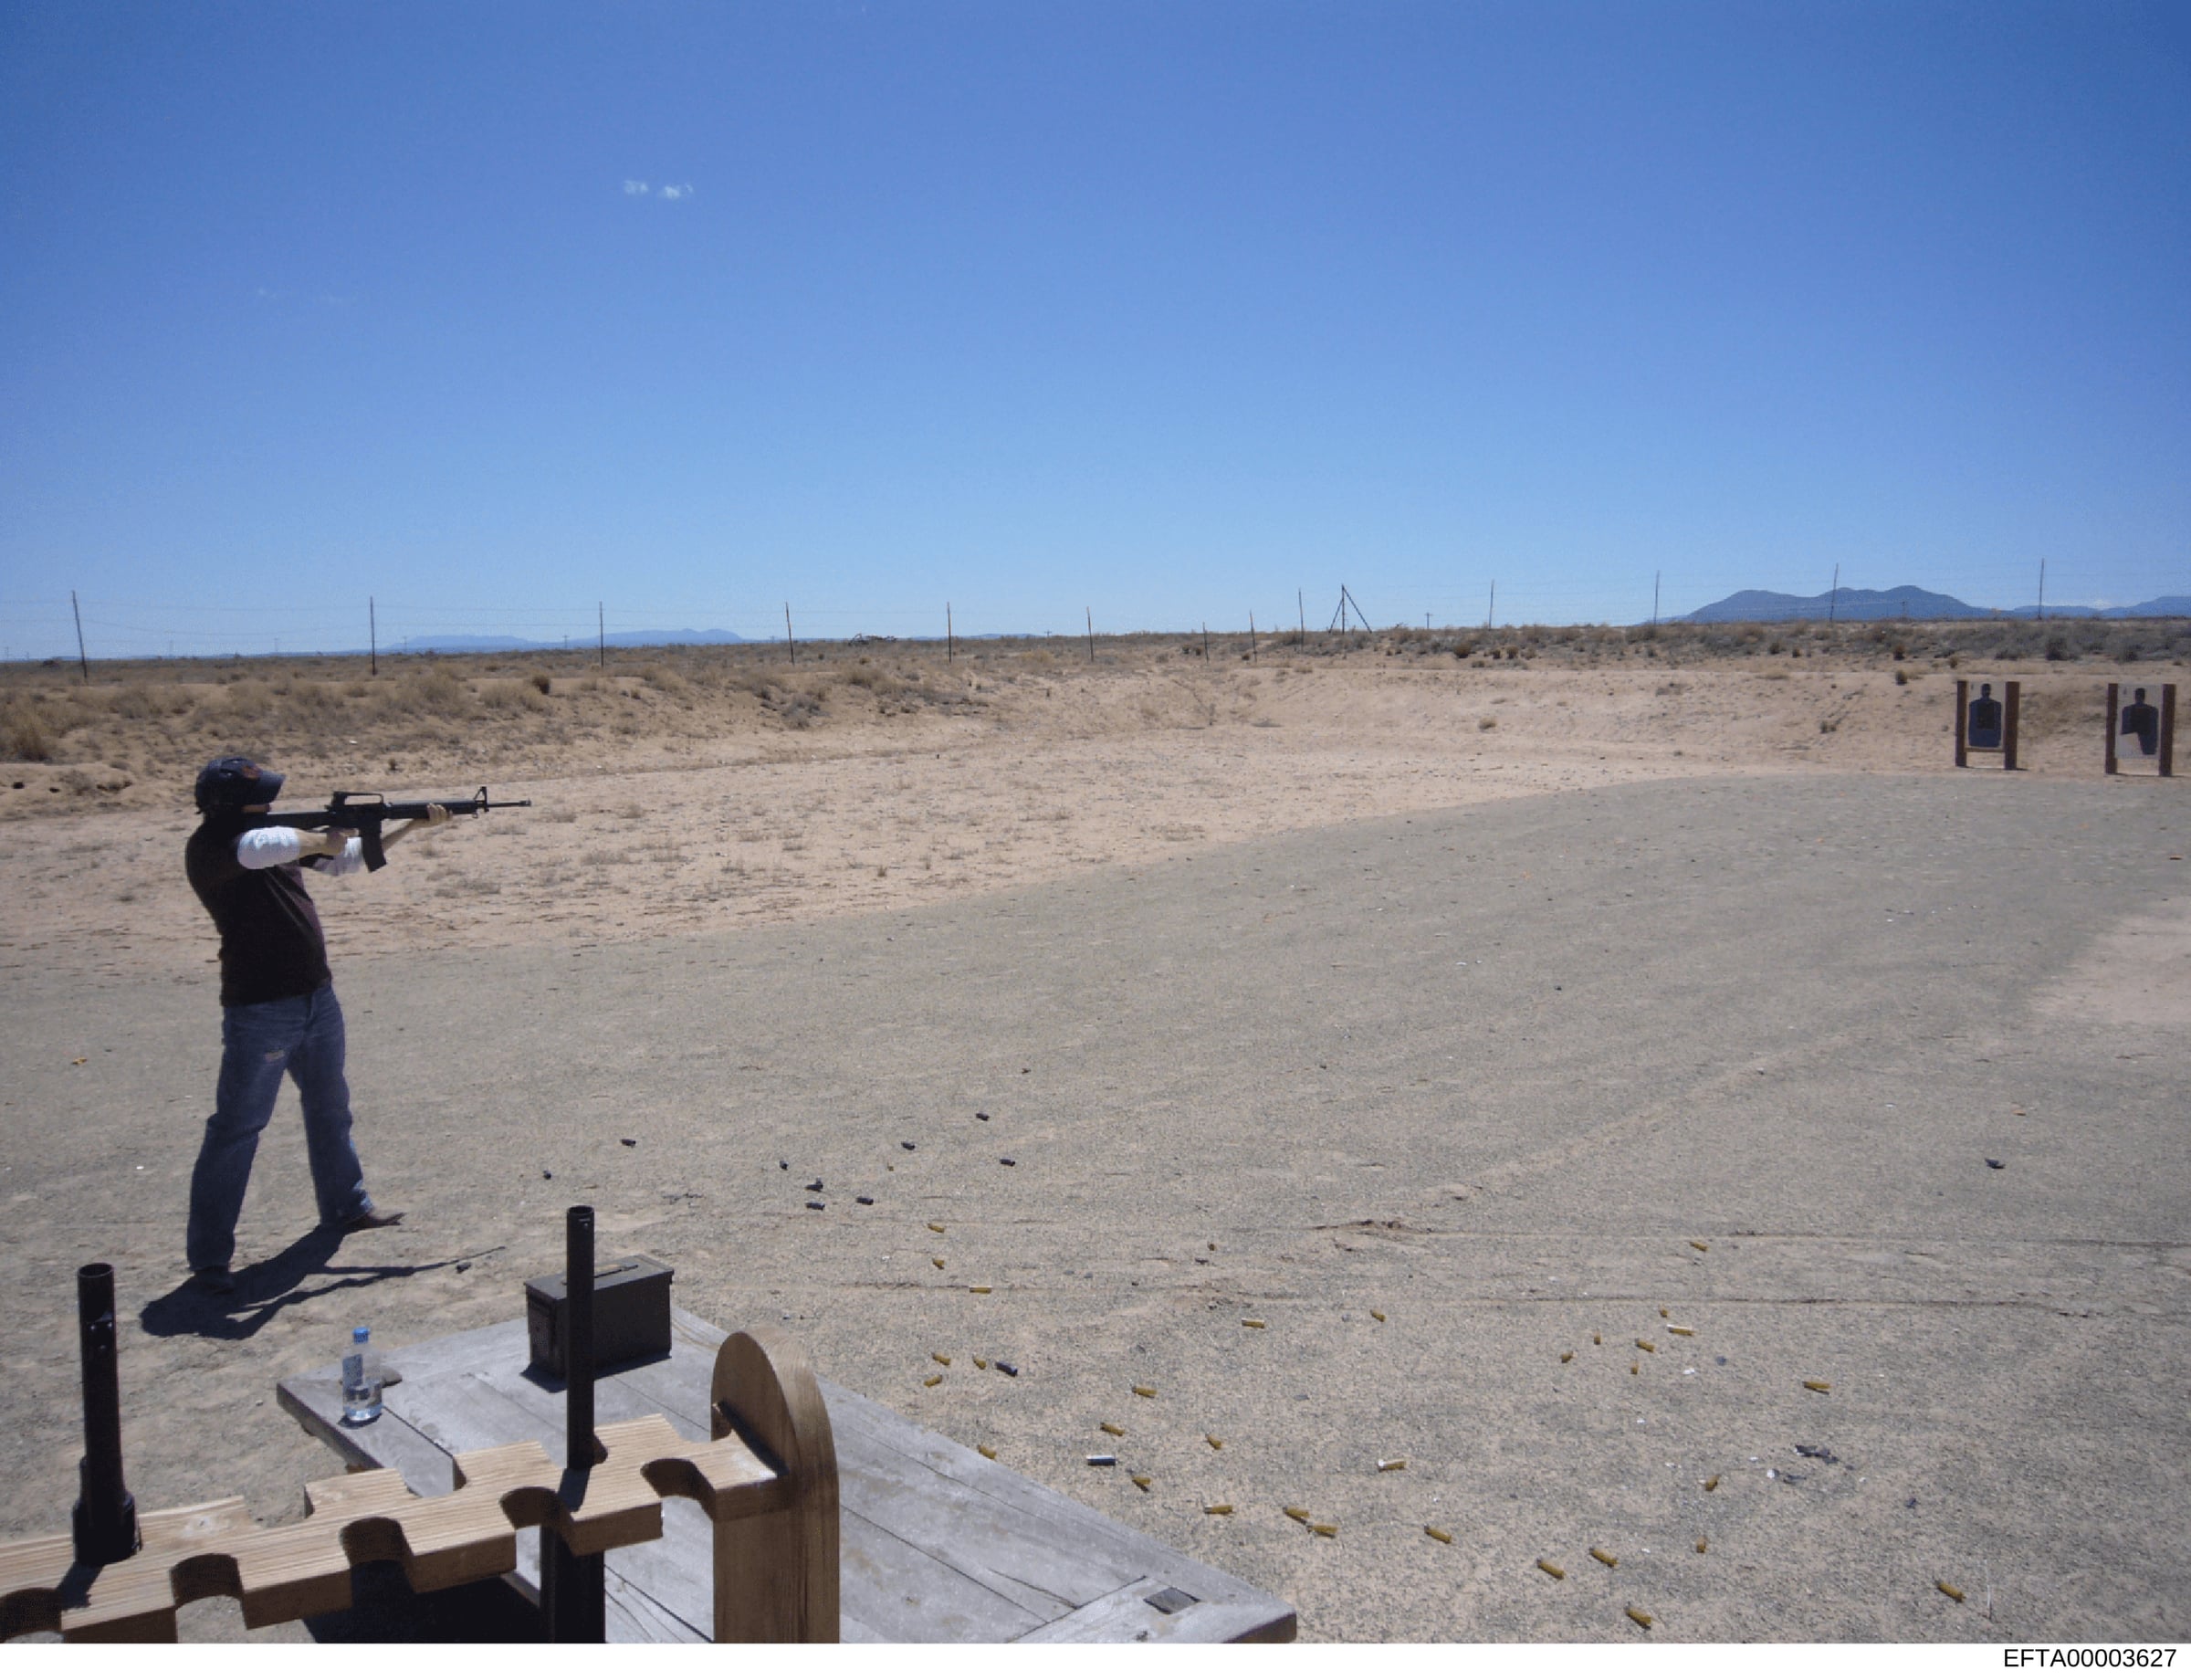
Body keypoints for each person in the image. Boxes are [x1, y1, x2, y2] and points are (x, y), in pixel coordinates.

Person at [183, 755, 449, 1293]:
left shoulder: (275, 837)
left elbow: (344, 860)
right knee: (237, 1130)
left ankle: (347, 1207)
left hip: (316, 999)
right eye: (263, 798)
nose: (273, 804)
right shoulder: (216, 846)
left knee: (330, 1108)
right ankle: (210, 1259)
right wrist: (319, 840)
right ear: (233, 805)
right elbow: (267, 849)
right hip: (261, 1009)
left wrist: (407, 827)